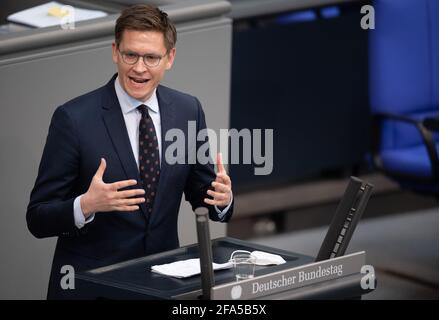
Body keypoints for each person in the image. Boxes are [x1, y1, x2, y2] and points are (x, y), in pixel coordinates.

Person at [26, 4, 233, 299]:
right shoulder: (74, 119)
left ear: (169, 58)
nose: (139, 68)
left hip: (162, 286)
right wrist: (86, 205)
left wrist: (222, 199)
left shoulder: (188, 111)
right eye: (130, 55)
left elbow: (203, 193)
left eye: (151, 57)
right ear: (115, 52)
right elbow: (37, 217)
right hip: (93, 289)